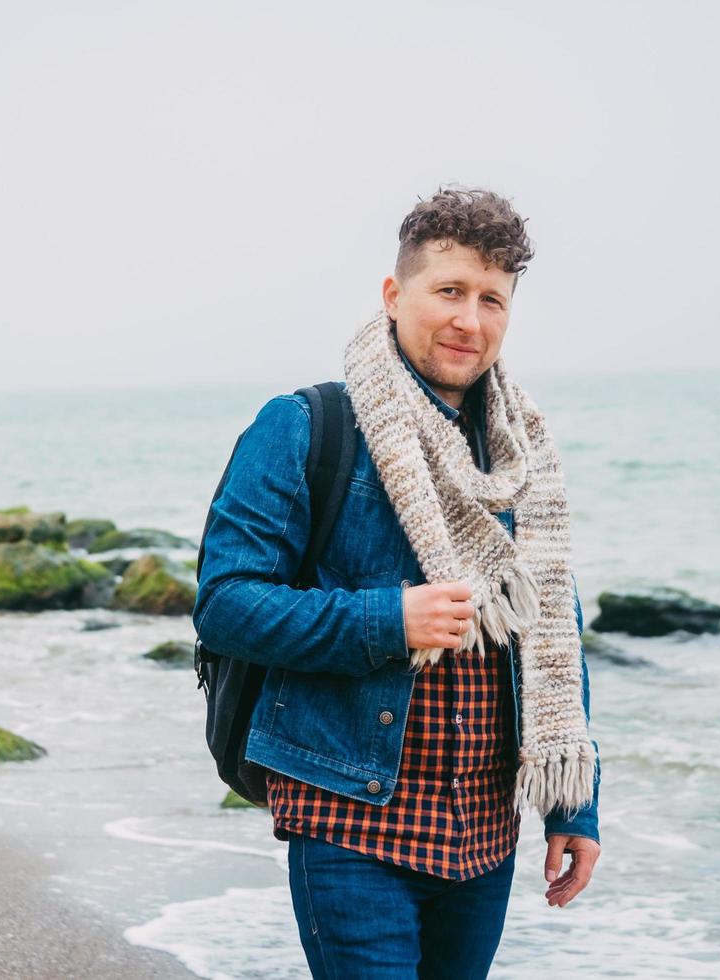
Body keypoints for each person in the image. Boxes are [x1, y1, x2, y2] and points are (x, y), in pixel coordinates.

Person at [192, 186, 601, 978]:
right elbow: (226, 604)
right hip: (350, 812)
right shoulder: (307, 425)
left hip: (483, 836)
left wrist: (573, 802)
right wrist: (389, 620)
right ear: (394, 294)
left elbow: (554, 622)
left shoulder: (521, 457)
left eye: (492, 299)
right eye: (448, 290)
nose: (469, 320)